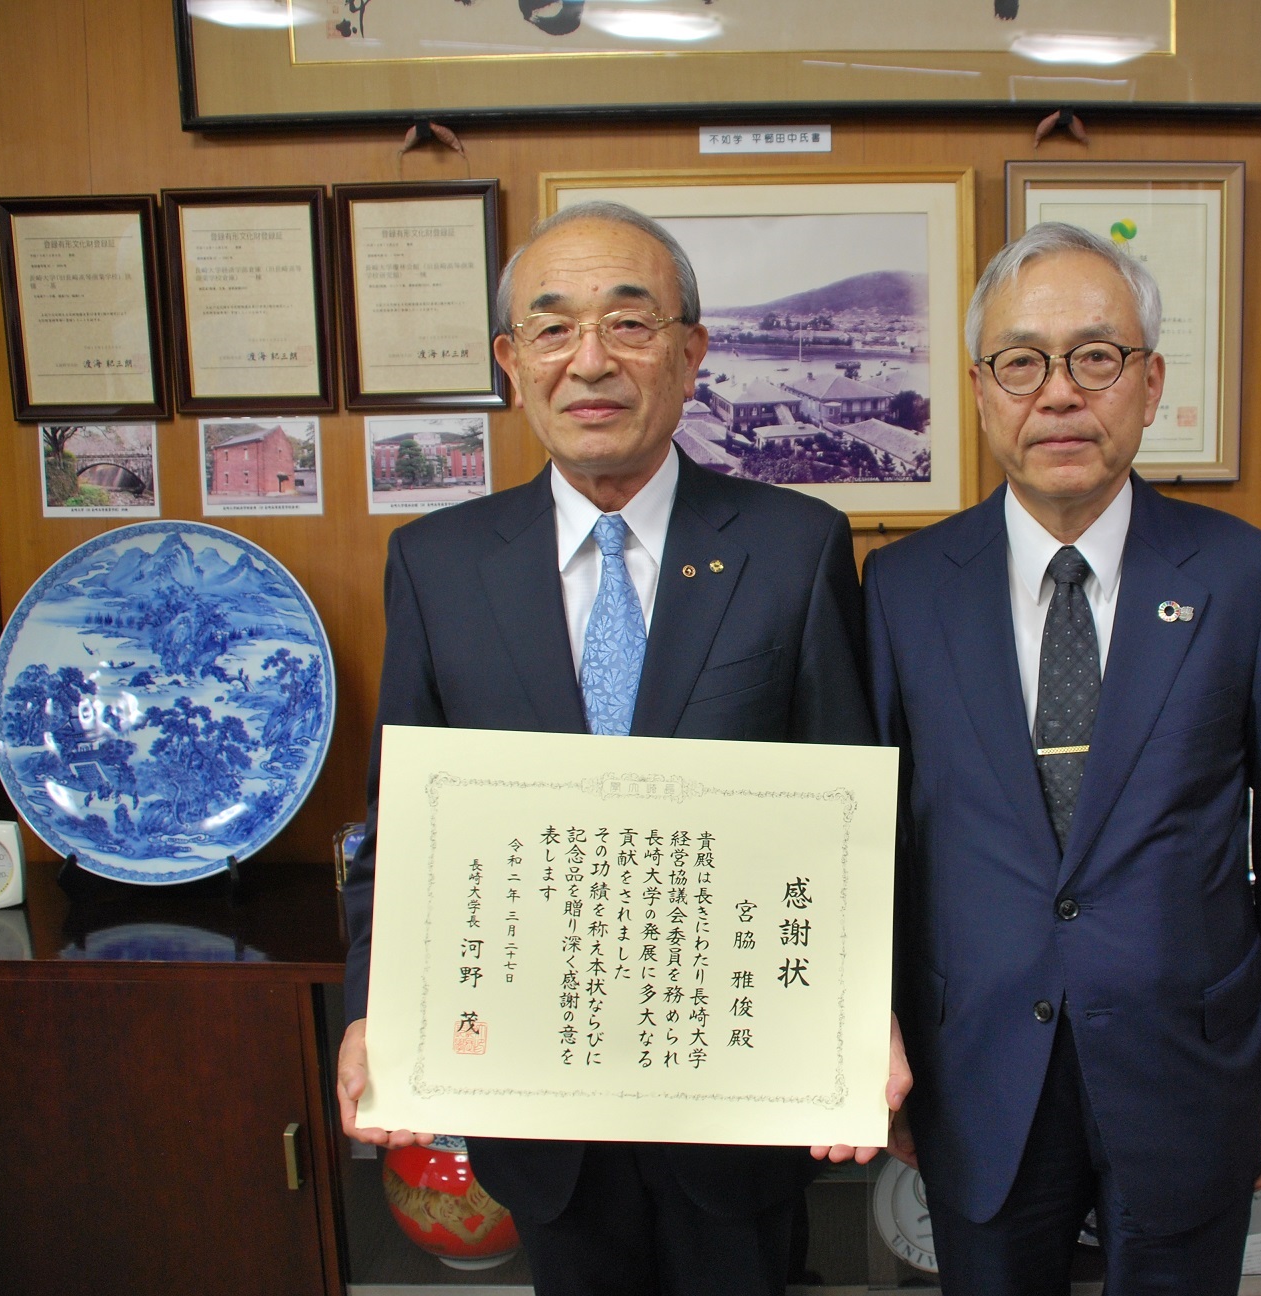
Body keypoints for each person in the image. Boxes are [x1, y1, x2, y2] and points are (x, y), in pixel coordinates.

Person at [336, 201, 901, 1296]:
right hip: (540, 1102)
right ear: (511, 364)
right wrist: (371, 1007)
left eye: (628, 324)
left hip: (738, 1091)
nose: (588, 360)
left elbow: (853, 815)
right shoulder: (437, 566)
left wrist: (859, 1014)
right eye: (551, 329)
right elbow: (401, 828)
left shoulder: (794, 547)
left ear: (690, 354)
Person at [863, 222, 1261, 1295]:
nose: (1059, 394)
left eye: (1095, 356)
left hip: (1191, 1066)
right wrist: (876, 1052)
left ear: (1149, 382)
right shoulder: (901, 591)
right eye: (1021, 362)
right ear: (983, 390)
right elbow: (879, 851)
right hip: (974, 1065)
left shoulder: (1247, 578)